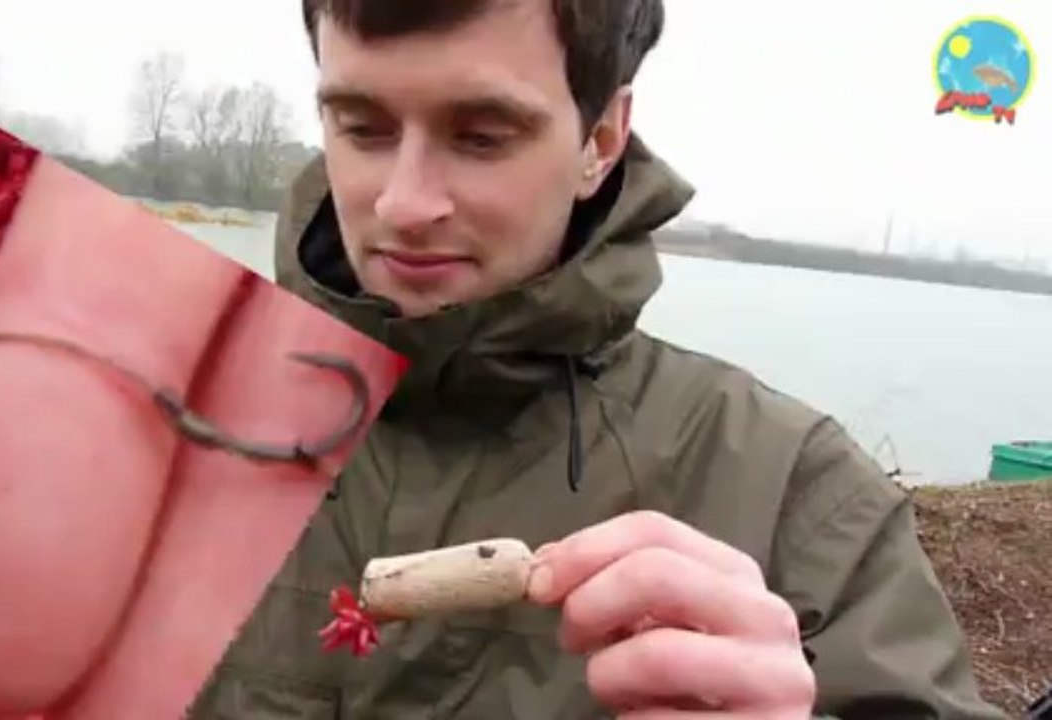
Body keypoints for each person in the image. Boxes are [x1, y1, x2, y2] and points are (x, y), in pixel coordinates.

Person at [186, 0, 1008, 718]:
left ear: (600, 139)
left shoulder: (798, 495)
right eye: (362, 128)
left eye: (481, 137)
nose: (404, 203)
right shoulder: (163, 405)